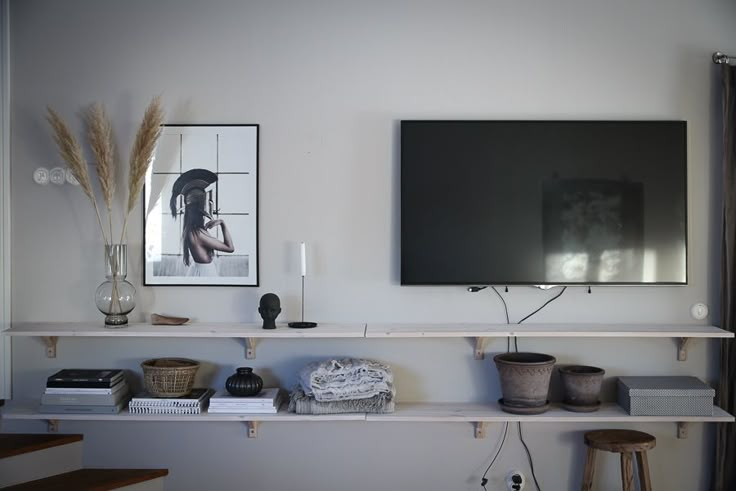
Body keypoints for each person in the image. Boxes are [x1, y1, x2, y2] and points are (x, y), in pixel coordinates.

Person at [170, 169, 234, 276]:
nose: (212, 205)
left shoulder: (195, 230)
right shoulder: (197, 233)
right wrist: (222, 223)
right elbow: (230, 248)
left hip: (202, 270)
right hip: (204, 273)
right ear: (200, 209)